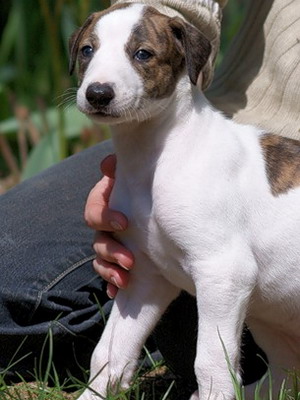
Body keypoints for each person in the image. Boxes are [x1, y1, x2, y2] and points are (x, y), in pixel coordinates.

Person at [1, 0, 300, 392]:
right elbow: (146, 278)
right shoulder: (144, 169)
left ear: (184, 59)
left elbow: (227, 273)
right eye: (89, 51)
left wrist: (214, 386)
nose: (100, 81)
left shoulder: (206, 166)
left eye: (142, 55)